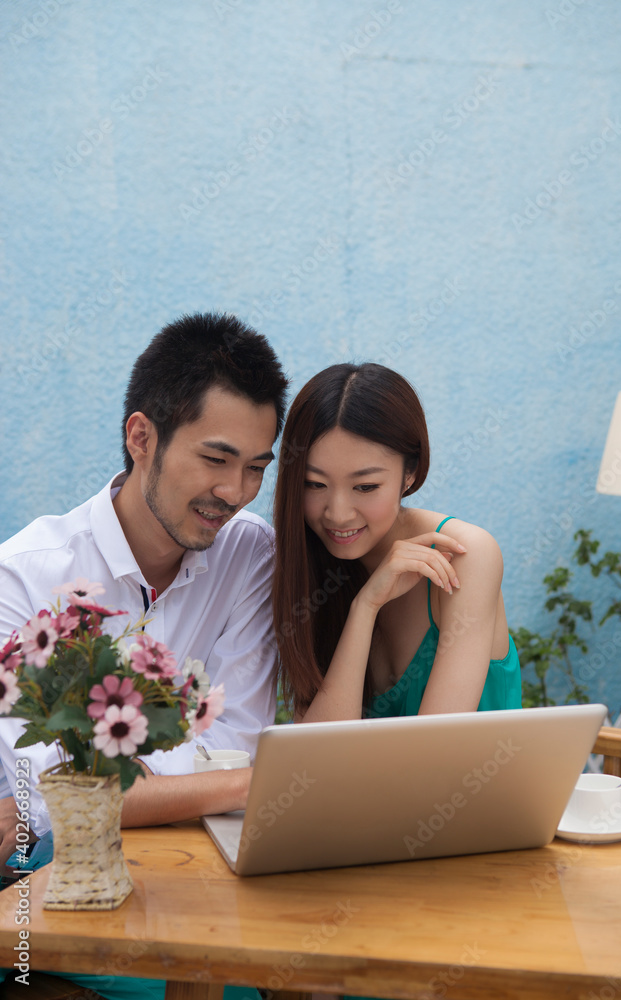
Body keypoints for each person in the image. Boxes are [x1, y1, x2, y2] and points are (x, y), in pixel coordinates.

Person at [0, 312, 288, 1000]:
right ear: (141, 438)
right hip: (51, 877)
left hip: (200, 868)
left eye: (255, 468)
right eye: (215, 460)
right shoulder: (26, 575)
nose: (236, 492)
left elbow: (238, 746)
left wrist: (184, 781)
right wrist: (242, 785)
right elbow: (43, 799)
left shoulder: (248, 553)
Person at [273, 362, 522, 725]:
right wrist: (365, 607)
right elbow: (317, 756)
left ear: (411, 473)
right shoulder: (313, 565)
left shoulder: (466, 555)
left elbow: (433, 749)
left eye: (366, 487)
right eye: (314, 484)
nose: (338, 514)